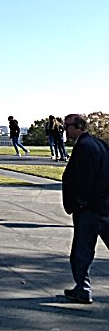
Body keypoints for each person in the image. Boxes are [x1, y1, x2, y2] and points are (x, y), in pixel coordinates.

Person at [61, 113, 109, 304]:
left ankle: (83, 289)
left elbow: (83, 179)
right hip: (105, 205)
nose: (65, 130)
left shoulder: (83, 147)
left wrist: (80, 201)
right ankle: (81, 289)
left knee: (81, 252)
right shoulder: (100, 144)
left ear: (78, 126)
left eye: (67, 126)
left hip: (90, 208)